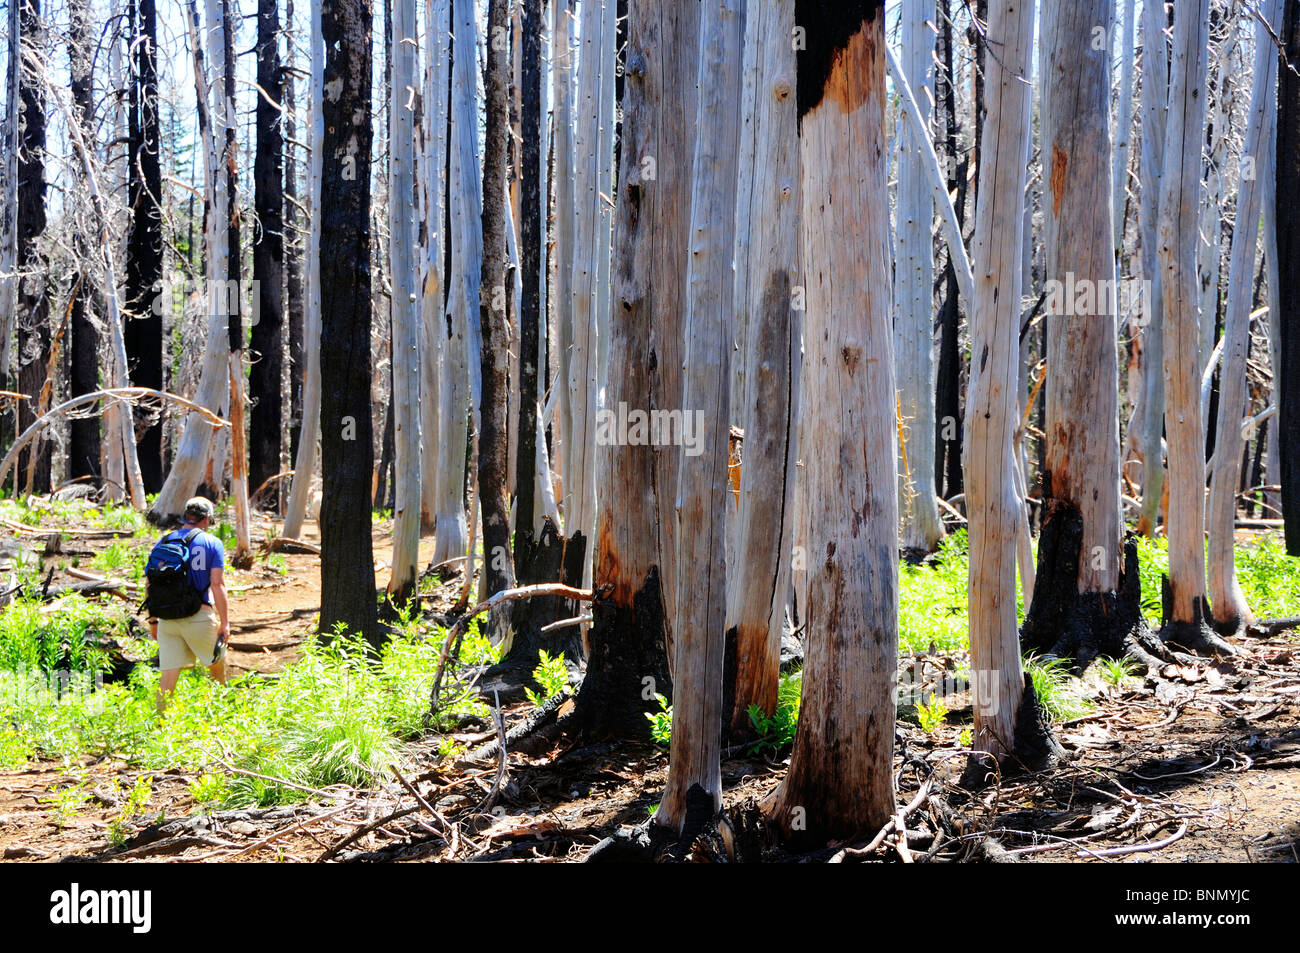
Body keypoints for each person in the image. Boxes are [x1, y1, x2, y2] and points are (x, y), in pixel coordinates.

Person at [146, 497, 230, 711]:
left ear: (185, 516)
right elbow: (217, 584)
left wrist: (153, 621)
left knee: (167, 680)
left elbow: (149, 584)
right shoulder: (213, 543)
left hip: (167, 619)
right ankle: (222, 716)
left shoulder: (164, 541)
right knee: (217, 666)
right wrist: (225, 623)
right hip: (198, 617)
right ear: (207, 518)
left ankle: (159, 728)